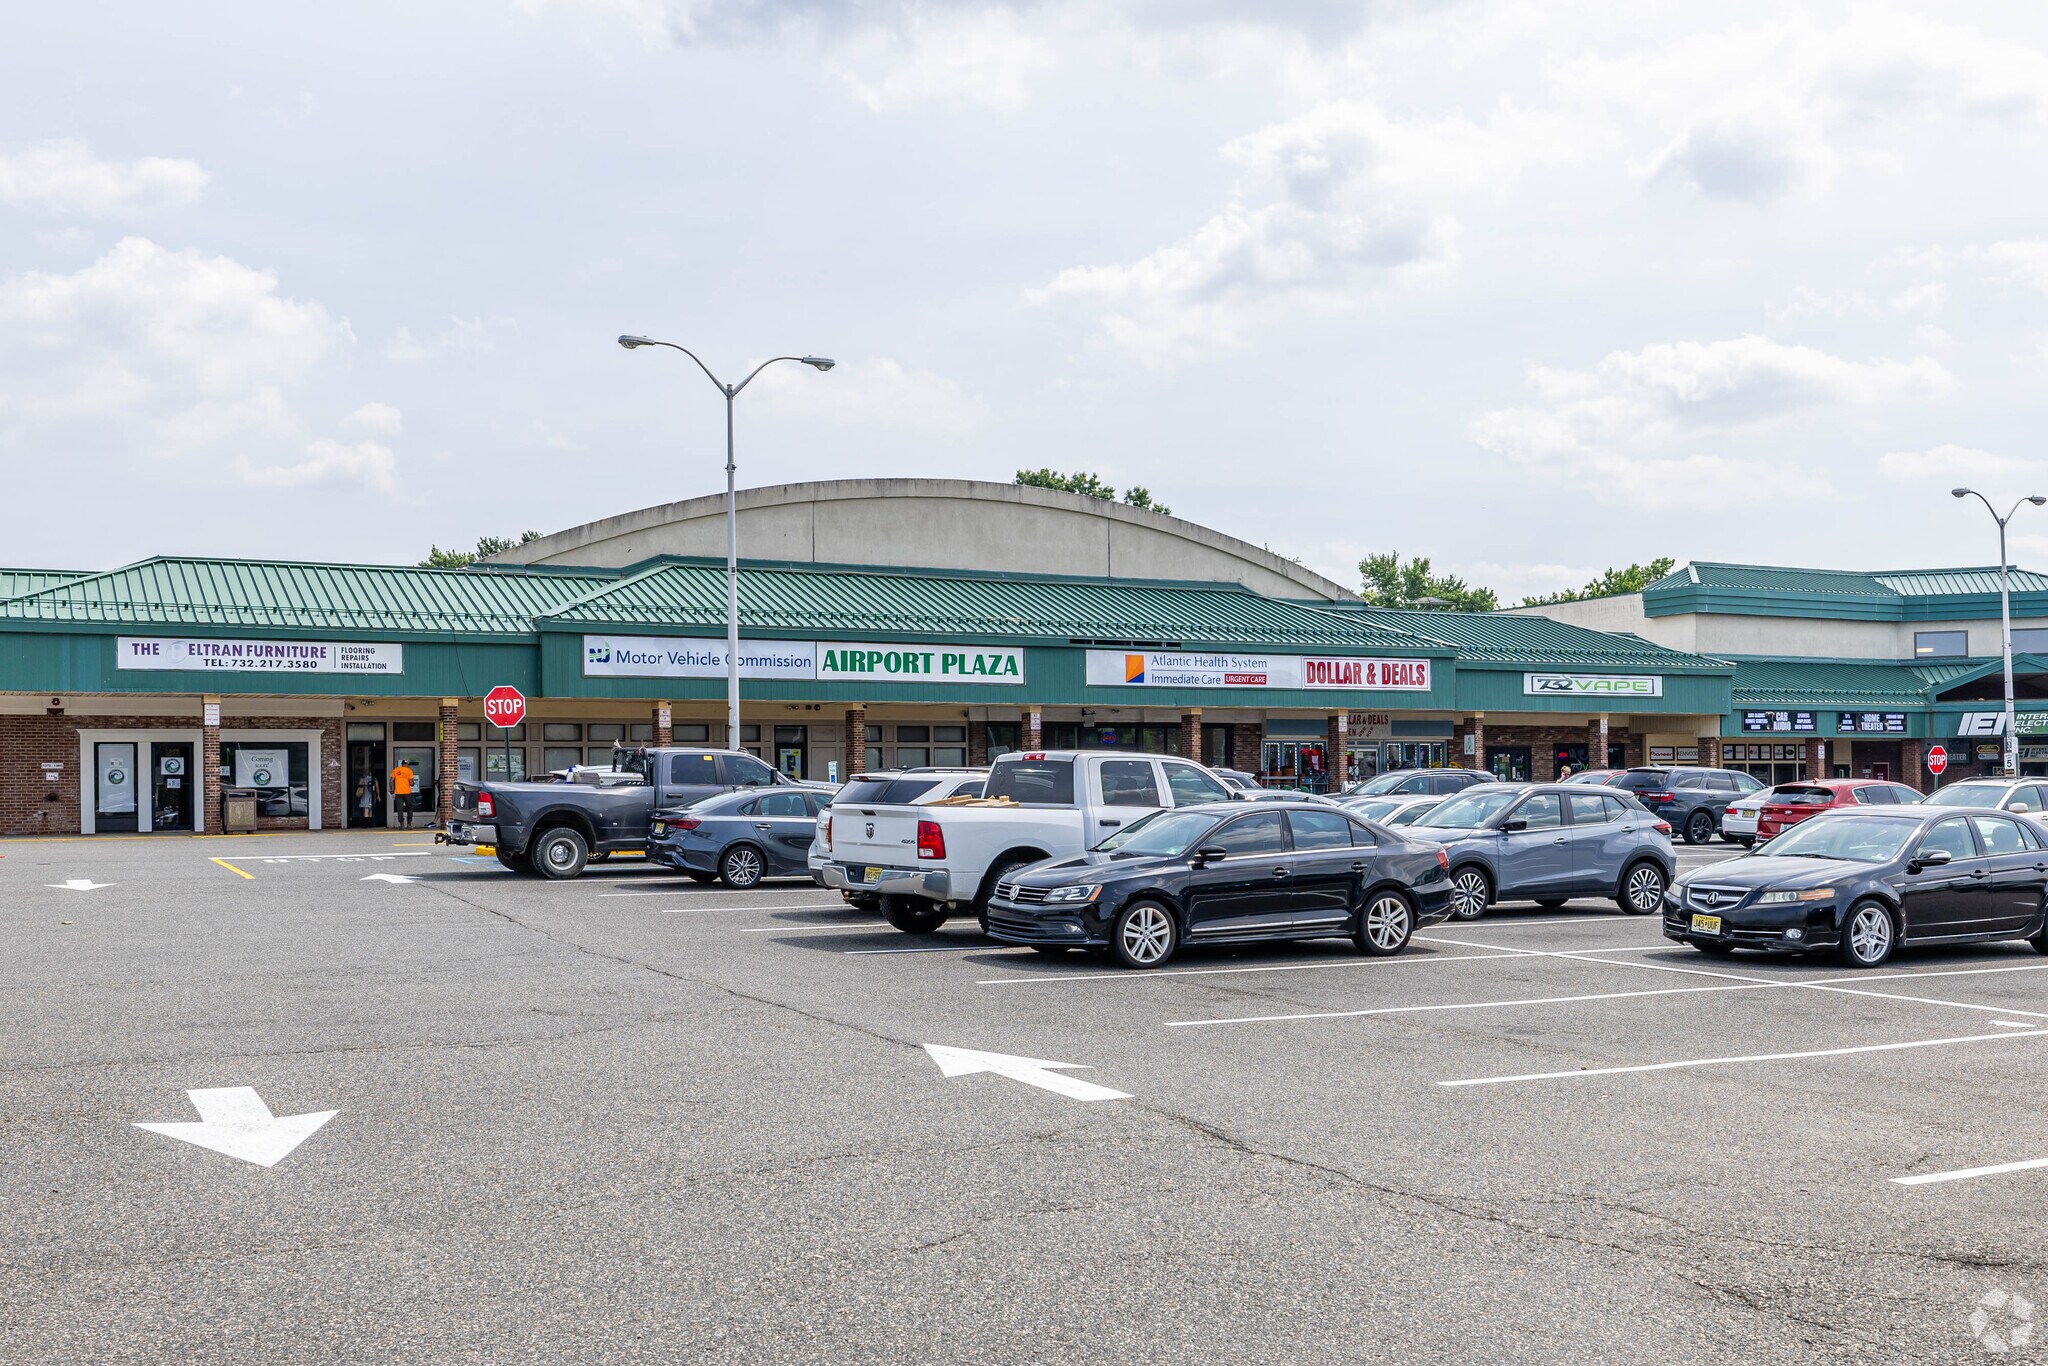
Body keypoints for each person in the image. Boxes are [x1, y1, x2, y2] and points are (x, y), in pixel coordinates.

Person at [389, 758, 416, 829]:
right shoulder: (409, 771)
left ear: (402, 764)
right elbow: (411, 783)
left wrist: (392, 789)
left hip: (398, 792)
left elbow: (391, 781)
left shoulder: (396, 770)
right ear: (407, 764)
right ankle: (409, 824)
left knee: (400, 809)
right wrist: (413, 783)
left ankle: (401, 825)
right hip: (407, 792)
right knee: (409, 808)